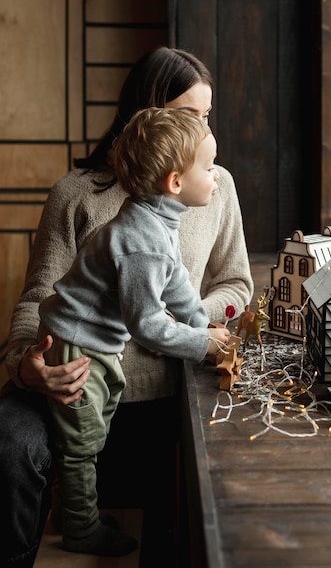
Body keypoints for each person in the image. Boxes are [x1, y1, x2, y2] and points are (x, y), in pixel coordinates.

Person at [0, 46, 253, 567]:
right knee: (19, 442)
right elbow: (38, 298)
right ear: (148, 116)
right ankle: (70, 529)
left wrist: (196, 326)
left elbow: (232, 285)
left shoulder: (214, 184)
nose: (206, 135)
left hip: (173, 385)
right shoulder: (78, 194)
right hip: (79, 365)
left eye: (207, 117)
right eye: (189, 118)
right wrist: (27, 364)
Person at [37, 107, 230, 556]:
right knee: (82, 441)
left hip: (92, 340)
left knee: (91, 431)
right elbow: (148, 325)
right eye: (208, 166)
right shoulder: (142, 240)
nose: (216, 175)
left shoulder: (156, 219)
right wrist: (202, 345)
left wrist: (203, 323)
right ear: (176, 183)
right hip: (76, 345)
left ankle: (72, 514)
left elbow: (178, 284)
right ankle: (80, 530)